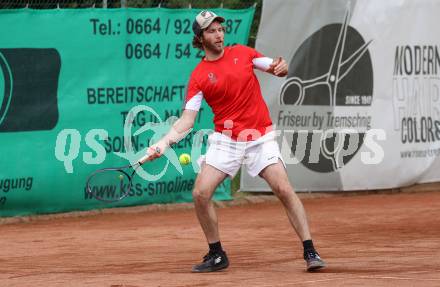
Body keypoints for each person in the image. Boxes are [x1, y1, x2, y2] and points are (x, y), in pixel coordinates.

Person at [141, 10, 326, 273]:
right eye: (211, 31)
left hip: (259, 136)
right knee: (200, 193)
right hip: (226, 141)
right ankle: (216, 254)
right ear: (200, 38)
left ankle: (310, 250)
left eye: (220, 29)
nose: (218, 34)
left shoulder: (243, 53)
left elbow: (276, 67)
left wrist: (282, 68)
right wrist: (162, 144)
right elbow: (187, 120)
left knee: (284, 189)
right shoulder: (199, 76)